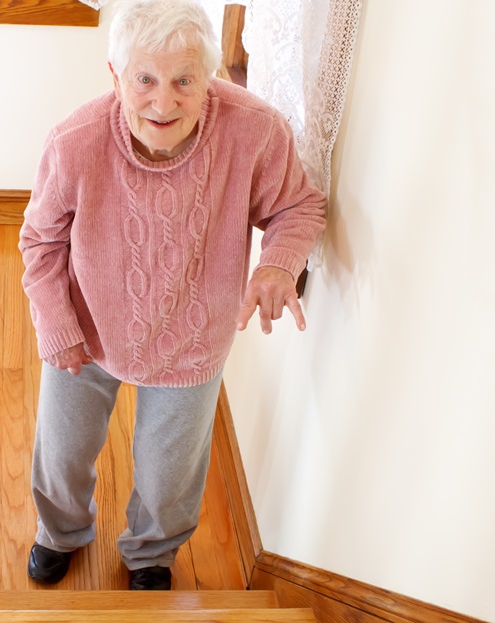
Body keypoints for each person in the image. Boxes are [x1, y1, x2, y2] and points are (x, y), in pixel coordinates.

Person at [18, 0, 326, 590]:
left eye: (185, 80)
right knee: (61, 452)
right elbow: (39, 239)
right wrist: (55, 323)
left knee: (170, 475)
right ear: (117, 77)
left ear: (208, 78)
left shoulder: (254, 131)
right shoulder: (75, 141)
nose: (164, 102)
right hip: (87, 328)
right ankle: (58, 534)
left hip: (192, 337)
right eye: (145, 80)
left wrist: (277, 265)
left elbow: (299, 204)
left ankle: (150, 556)